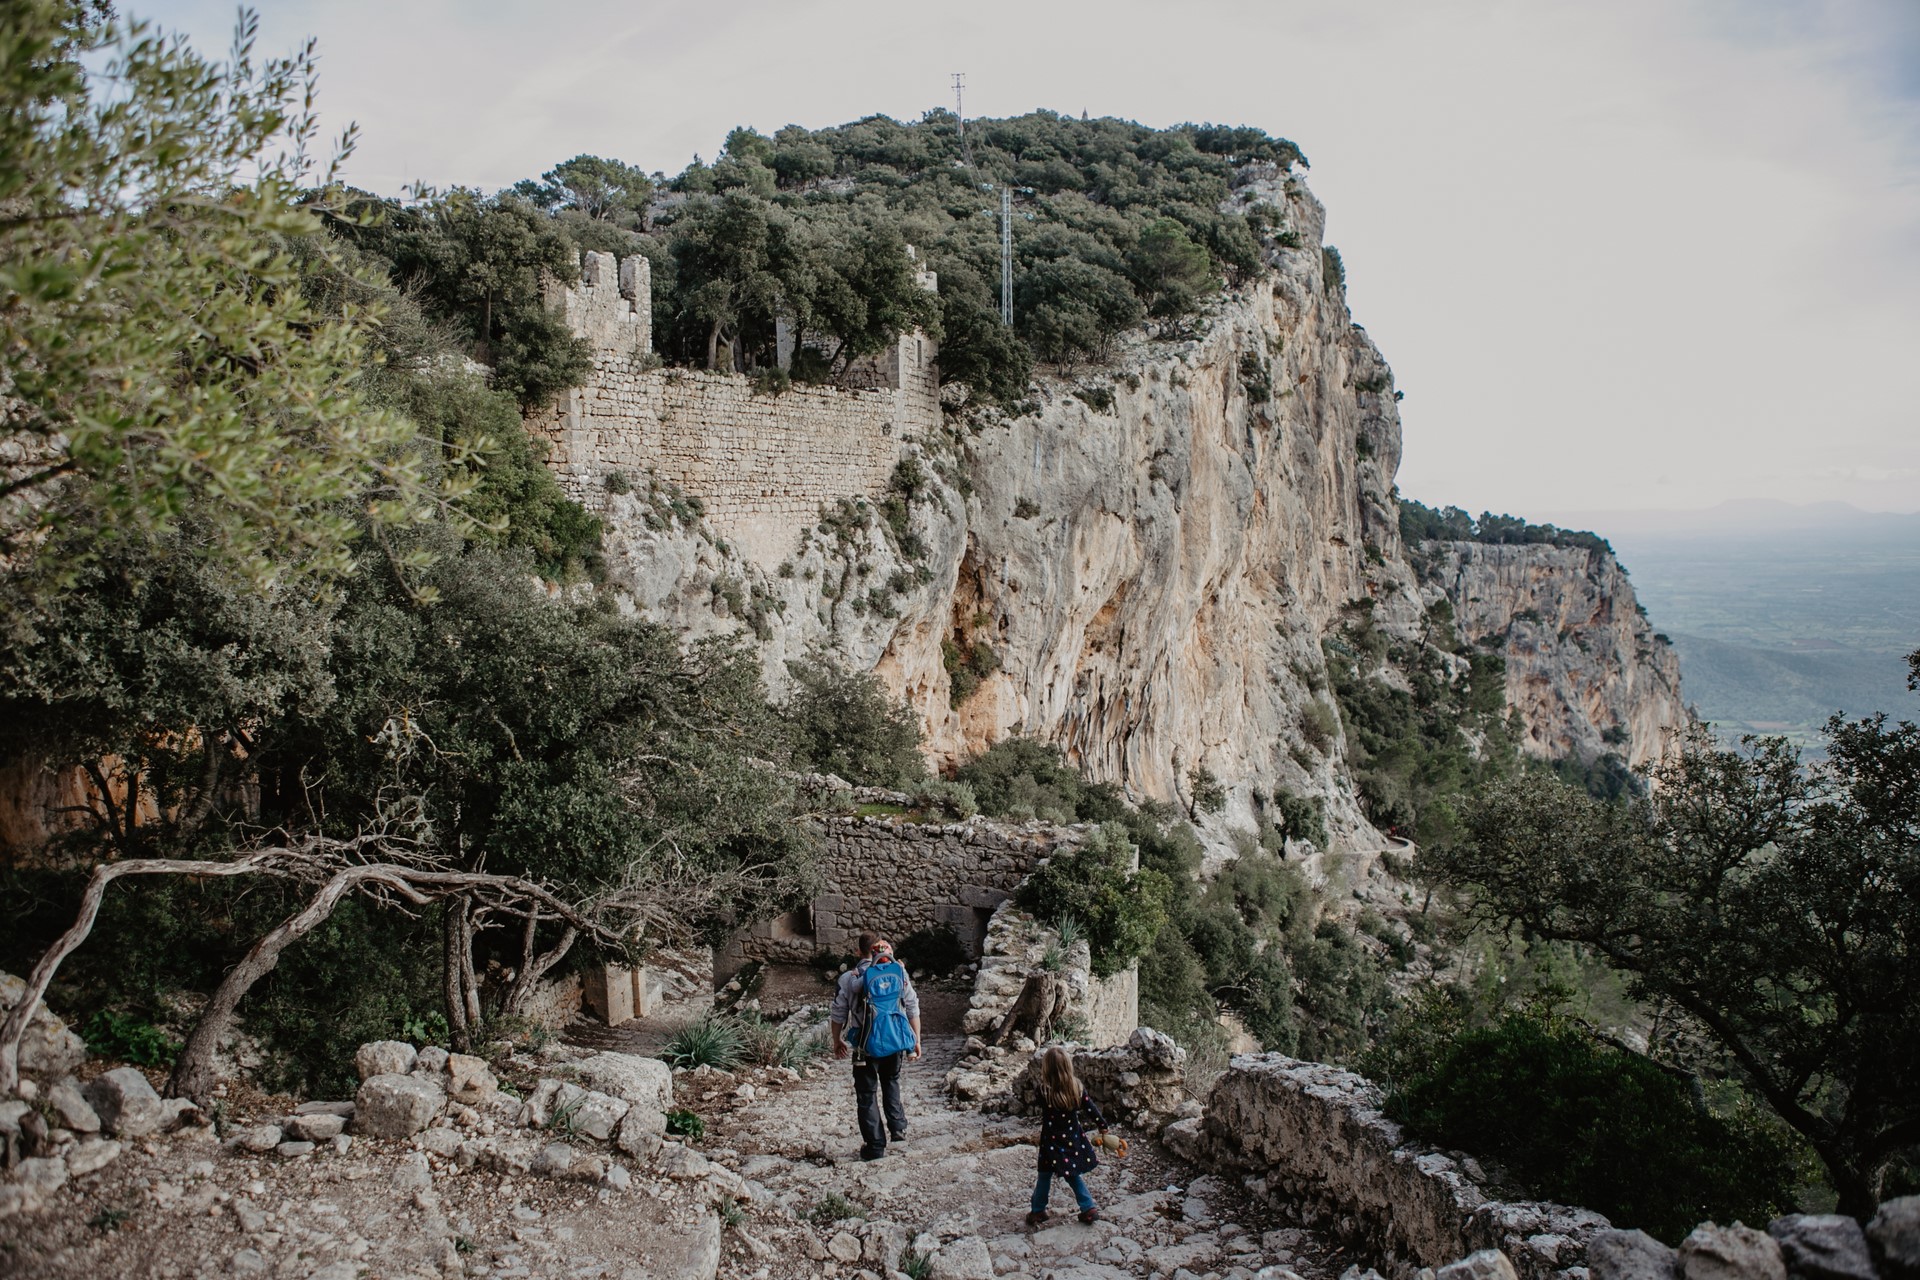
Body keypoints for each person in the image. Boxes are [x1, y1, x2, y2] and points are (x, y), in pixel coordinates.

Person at [829, 931, 922, 1161]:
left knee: (867, 1094)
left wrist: (837, 1040)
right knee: (891, 1081)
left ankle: (875, 1146)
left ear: (859, 952)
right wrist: (916, 1039)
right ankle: (898, 1129)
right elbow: (912, 1006)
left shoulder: (850, 978)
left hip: (865, 1044)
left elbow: (838, 1013)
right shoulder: (897, 971)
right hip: (894, 1040)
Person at [1027, 1045, 1104, 1226]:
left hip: (1050, 1143)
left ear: (1046, 1068)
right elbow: (1090, 1108)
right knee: (1072, 1174)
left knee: (1044, 1175)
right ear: (1069, 1066)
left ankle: (1038, 1210)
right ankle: (1087, 1207)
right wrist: (1103, 1126)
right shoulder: (1077, 1088)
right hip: (1072, 1139)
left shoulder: (1043, 1092)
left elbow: (1037, 1100)